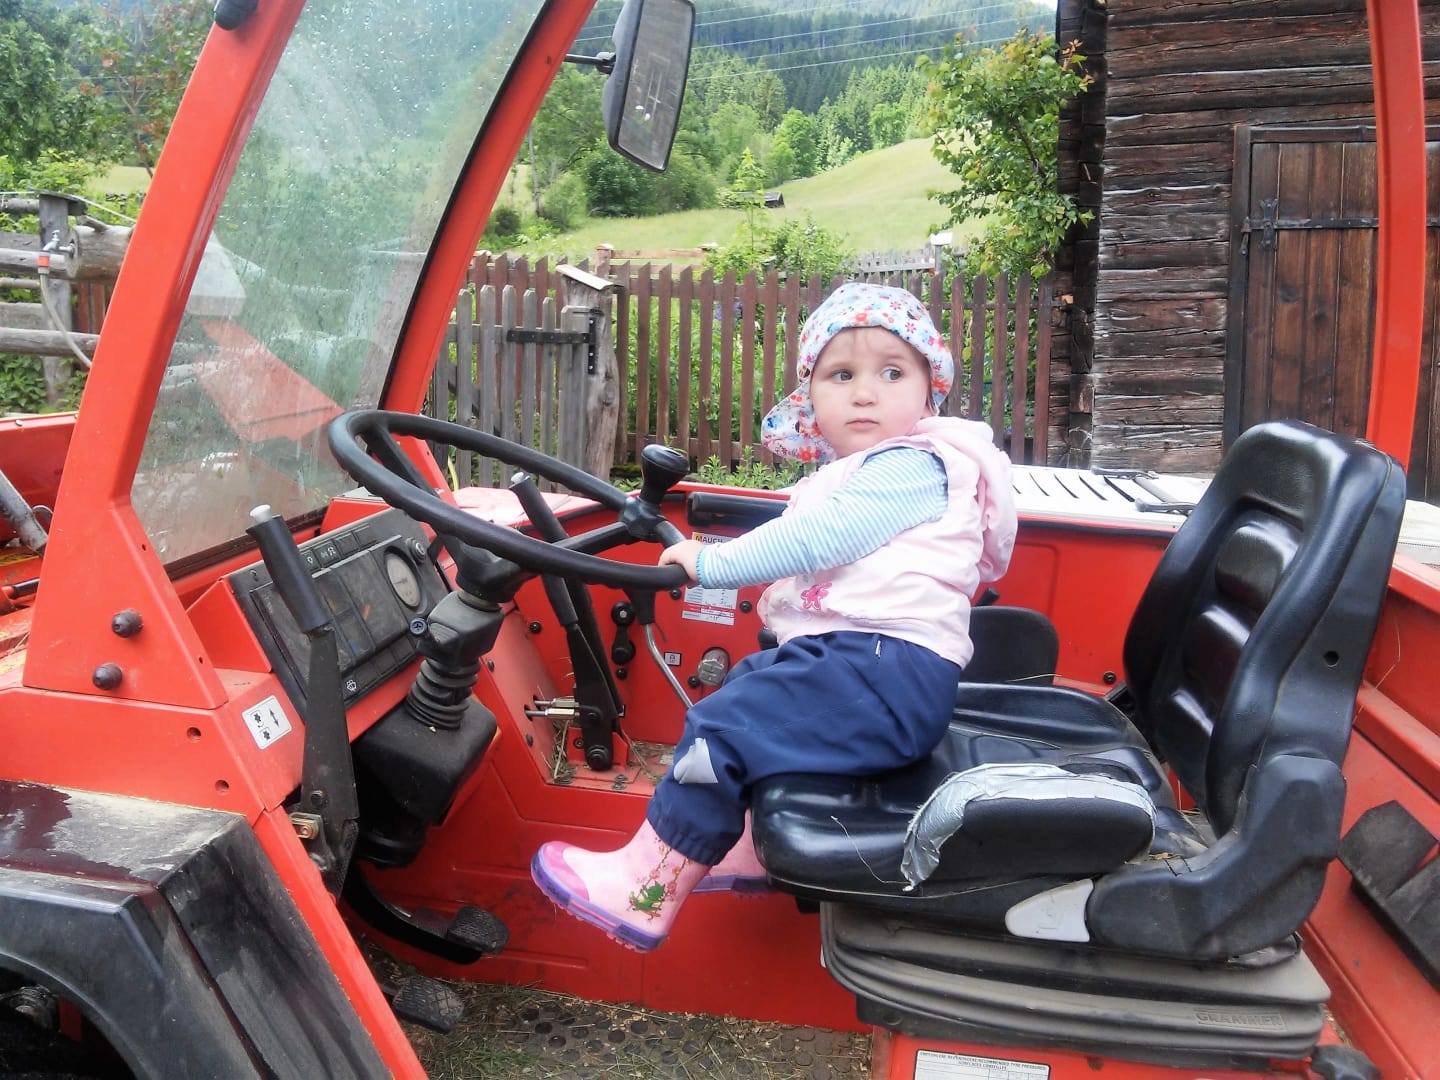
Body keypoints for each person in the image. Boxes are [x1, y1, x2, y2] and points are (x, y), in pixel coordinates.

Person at [530, 282, 1017, 951]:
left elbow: (818, 540)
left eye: (891, 373)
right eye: (841, 375)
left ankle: (644, 889)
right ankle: (742, 851)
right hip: (865, 664)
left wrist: (708, 563)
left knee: (721, 730)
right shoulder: (865, 472)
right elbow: (813, 531)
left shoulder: (911, 466)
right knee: (746, 685)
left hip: (884, 670)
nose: (865, 393)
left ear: (929, 392)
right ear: (811, 397)